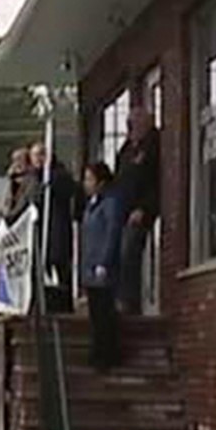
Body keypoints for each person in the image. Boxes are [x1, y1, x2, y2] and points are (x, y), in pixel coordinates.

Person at [111, 102, 159, 314]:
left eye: (136, 123)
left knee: (129, 251)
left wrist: (144, 207)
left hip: (143, 211)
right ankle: (119, 299)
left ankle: (130, 303)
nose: (132, 127)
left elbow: (158, 180)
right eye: (130, 124)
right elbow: (119, 180)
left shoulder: (154, 145)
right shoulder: (125, 151)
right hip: (123, 211)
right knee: (116, 252)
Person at [79, 161, 126, 369]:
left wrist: (104, 262)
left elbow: (112, 233)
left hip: (103, 265)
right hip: (90, 263)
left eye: (89, 179)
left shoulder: (110, 203)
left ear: (101, 182)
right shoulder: (92, 204)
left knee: (104, 312)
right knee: (95, 312)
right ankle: (97, 352)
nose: (86, 183)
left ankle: (108, 355)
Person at [25, 140, 78, 313]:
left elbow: (69, 190)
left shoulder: (58, 174)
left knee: (61, 271)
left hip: (57, 232)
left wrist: (50, 181)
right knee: (38, 272)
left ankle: (64, 308)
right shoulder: (33, 179)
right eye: (35, 156)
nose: (38, 159)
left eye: (41, 154)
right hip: (39, 234)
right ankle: (40, 306)